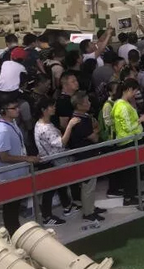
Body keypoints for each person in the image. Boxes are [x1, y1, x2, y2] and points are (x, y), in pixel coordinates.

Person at [33, 97, 80, 226]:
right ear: (44, 110)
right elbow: (61, 143)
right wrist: (70, 125)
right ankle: (47, 217)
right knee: (50, 190)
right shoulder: (45, 128)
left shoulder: (43, 124)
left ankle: (67, 206)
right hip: (51, 161)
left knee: (60, 184)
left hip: (53, 160)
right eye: (51, 106)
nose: (54, 108)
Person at [0, 98, 40, 234]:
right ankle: (13, 234)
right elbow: (4, 156)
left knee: (14, 206)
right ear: (4, 111)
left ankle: (14, 232)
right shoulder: (3, 130)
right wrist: (26, 158)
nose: (18, 110)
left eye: (17, 107)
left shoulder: (12, 123)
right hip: (9, 176)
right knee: (11, 208)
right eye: (14, 108)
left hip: (17, 174)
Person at [68, 91, 107, 222]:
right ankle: (88, 212)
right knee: (88, 186)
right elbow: (94, 137)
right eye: (87, 101)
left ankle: (91, 207)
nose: (89, 103)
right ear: (79, 105)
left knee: (91, 185)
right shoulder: (79, 121)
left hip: (89, 155)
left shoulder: (84, 117)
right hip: (84, 156)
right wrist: (96, 129)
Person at [112, 79, 144, 205]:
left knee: (132, 172)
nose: (135, 94)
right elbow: (128, 127)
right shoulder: (122, 106)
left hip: (131, 140)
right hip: (127, 142)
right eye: (135, 91)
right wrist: (141, 120)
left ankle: (132, 192)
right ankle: (129, 197)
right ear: (129, 90)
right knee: (130, 173)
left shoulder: (123, 104)